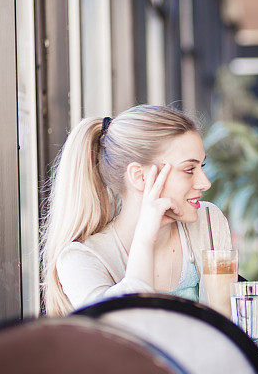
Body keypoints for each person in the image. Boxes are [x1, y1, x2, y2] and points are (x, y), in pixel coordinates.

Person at [41, 105, 232, 316]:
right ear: (140, 177)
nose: (205, 183)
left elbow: (230, 325)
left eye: (201, 167)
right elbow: (123, 326)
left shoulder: (208, 222)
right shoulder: (80, 259)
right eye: (189, 170)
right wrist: (144, 239)